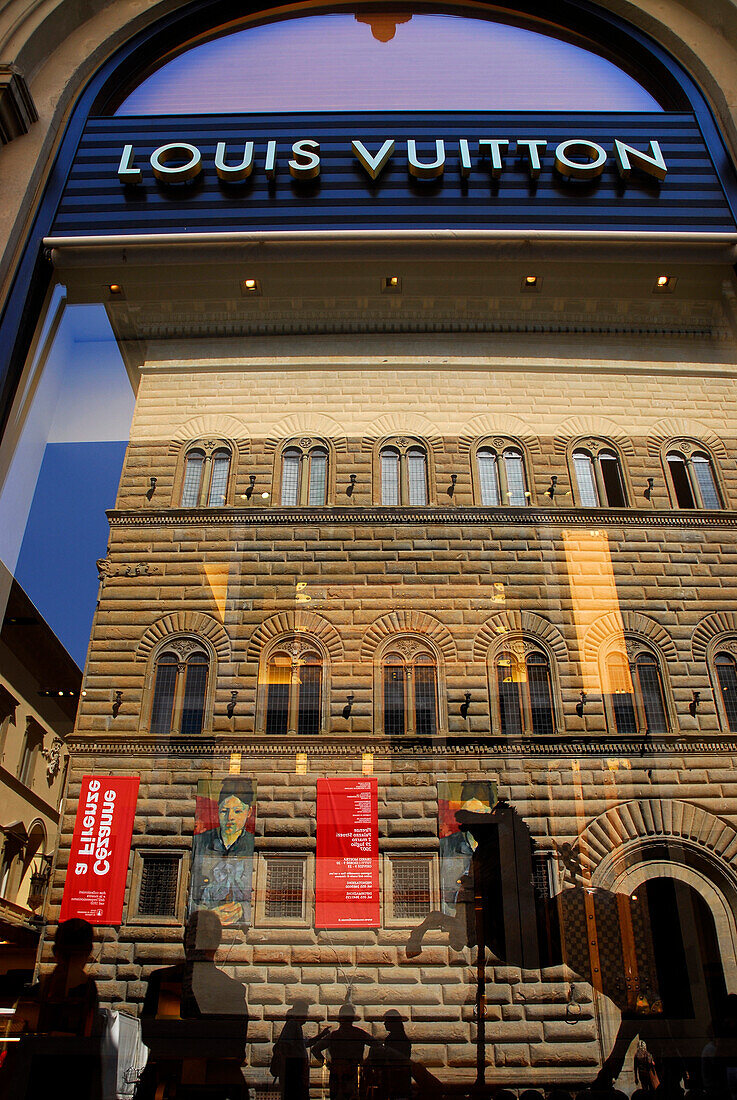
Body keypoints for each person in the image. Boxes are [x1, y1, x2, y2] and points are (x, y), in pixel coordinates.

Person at [136, 909, 248, 1100]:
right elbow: (235, 1047)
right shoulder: (231, 989)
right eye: (192, 935)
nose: (192, 943)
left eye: (197, 936)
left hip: (176, 1084)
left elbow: (150, 1033)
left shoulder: (163, 980)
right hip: (196, 1086)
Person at [1, 917, 103, 1100]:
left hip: (33, 1081)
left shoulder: (34, 993)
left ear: (55, 951)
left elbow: (14, 1043)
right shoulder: (86, 991)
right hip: (64, 1082)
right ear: (88, 952)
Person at [189, 779, 255, 927]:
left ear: (249, 812)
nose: (230, 817)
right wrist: (206, 914)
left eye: (238, 811)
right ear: (217, 810)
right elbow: (187, 894)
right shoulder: (201, 842)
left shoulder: (252, 845)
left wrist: (243, 910)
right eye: (224, 811)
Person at [312, 1003, 375, 1100]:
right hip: (351, 1072)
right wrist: (366, 1062)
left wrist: (328, 1064)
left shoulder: (334, 1035)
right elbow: (377, 1045)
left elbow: (315, 1049)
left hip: (339, 1073)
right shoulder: (359, 1034)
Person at [270, 998, 328, 1100]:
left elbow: (305, 1043)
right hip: (294, 1072)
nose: (307, 1015)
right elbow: (286, 1047)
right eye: (306, 1012)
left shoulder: (294, 1025)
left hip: (295, 1071)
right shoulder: (293, 1024)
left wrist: (321, 1035)